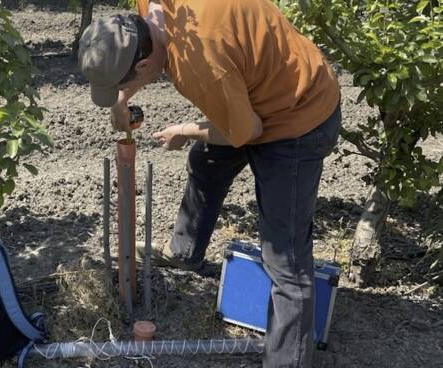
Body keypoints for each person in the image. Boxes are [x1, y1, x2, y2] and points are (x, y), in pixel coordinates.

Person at [77, 0, 341, 367]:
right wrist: (122, 98)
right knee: (207, 160)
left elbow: (247, 132)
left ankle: (289, 361)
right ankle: (186, 253)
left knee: (285, 257)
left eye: (128, 81)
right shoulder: (153, 11)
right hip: (254, 87)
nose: (126, 91)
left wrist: (184, 131)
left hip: (297, 114)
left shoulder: (200, 66)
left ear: (142, 65)